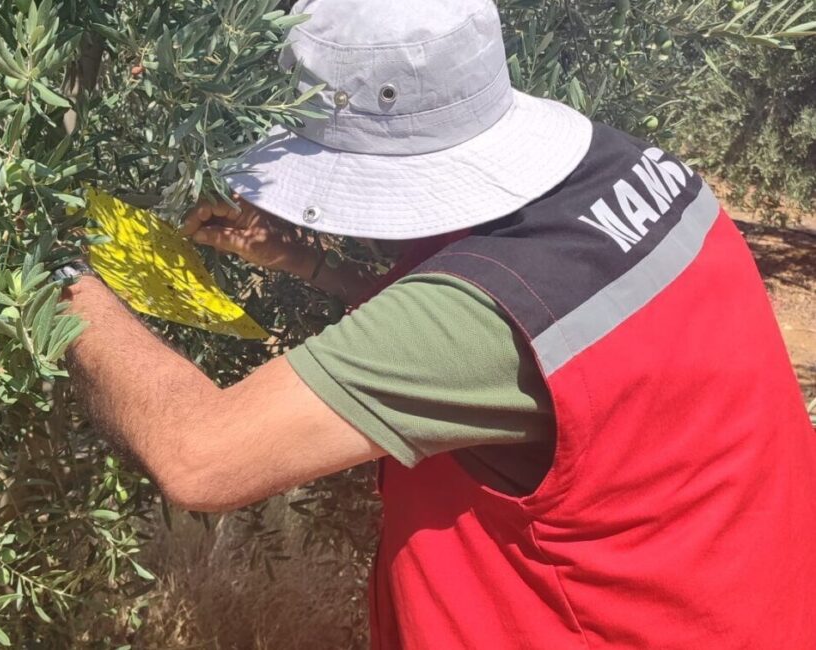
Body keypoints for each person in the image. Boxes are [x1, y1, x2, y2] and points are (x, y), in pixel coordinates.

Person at [53, 0, 816, 647]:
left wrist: (50, 270)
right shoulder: (641, 174)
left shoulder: (487, 313)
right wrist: (313, 266)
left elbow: (201, 457)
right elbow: (520, 359)